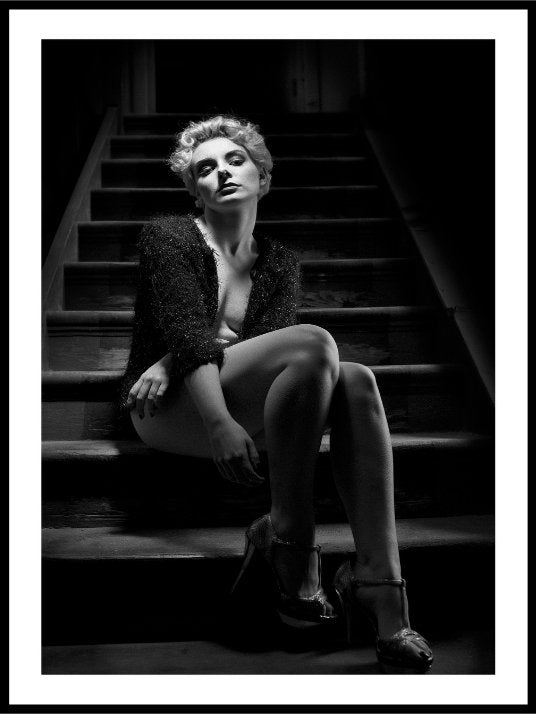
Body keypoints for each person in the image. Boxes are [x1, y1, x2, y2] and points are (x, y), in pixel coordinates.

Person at [119, 115, 433, 673]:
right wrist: (218, 420)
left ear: (262, 177)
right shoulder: (169, 235)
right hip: (168, 409)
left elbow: (264, 347)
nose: (222, 172)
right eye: (205, 169)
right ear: (195, 191)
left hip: (241, 398)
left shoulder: (280, 260)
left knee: (357, 378)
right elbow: (190, 330)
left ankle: (382, 588)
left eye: (235, 160)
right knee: (313, 341)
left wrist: (184, 351)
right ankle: (290, 538)